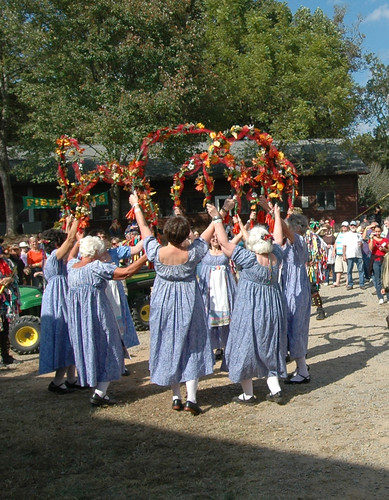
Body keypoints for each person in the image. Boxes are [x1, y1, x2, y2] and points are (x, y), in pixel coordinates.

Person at [129, 193, 215, 416]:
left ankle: (176, 395)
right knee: (193, 343)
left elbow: (145, 230)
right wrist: (218, 216)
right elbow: (206, 236)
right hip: (189, 300)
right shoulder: (193, 252)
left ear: (166, 233)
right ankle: (192, 398)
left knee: (169, 342)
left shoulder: (156, 252)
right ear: (185, 234)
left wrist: (137, 206)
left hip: (163, 301)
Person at [206, 202, 287, 404]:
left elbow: (225, 244)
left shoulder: (249, 259)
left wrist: (217, 218)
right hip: (273, 307)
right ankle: (275, 389)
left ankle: (248, 394)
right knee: (270, 344)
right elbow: (277, 238)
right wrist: (276, 215)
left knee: (244, 345)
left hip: (250, 308)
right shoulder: (276, 256)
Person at [67, 235, 148, 405]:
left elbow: (69, 257)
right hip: (98, 313)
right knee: (110, 347)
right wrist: (147, 256)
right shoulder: (95, 267)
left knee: (89, 347)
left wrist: (77, 241)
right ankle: (100, 392)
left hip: (79, 319)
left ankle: (94, 385)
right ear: (96, 251)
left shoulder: (72, 267)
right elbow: (125, 272)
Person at [39, 219, 81, 394]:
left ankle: (71, 378)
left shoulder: (51, 258)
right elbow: (70, 240)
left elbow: (70, 241)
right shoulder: (55, 256)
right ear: (57, 244)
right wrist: (79, 218)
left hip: (58, 296)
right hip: (58, 299)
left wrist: (69, 222)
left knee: (69, 336)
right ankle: (57, 381)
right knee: (64, 334)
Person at [273, 209, 311, 385]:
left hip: (297, 288)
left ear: (298, 227)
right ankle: (299, 368)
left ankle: (303, 371)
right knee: (287, 326)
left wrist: (271, 211)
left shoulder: (300, 241)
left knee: (297, 327)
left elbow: (286, 230)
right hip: (287, 286)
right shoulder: (288, 244)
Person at [197, 226, 239, 366]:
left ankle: (228, 357)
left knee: (228, 323)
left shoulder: (226, 251)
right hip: (210, 295)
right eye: (212, 236)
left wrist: (246, 222)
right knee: (207, 323)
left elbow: (237, 238)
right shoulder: (203, 252)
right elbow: (193, 239)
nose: (214, 238)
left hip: (224, 292)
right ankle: (208, 359)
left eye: (217, 235)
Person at [0, 253, 21, 366]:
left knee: (4, 329)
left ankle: (6, 356)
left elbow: (16, 277)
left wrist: (10, 280)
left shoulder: (8, 263)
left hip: (4, 303)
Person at [368, 225, 389, 304]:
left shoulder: (385, 240)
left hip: (384, 260)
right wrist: (371, 238)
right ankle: (380, 297)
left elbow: (388, 250)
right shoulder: (372, 239)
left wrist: (384, 249)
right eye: (376, 231)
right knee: (378, 279)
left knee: (386, 279)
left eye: (378, 231)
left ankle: (388, 296)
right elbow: (371, 248)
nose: (377, 233)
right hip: (376, 260)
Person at [342, 220, 365, 290]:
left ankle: (362, 284)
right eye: (351, 225)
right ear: (349, 226)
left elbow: (362, 245)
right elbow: (344, 246)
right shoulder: (346, 235)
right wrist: (344, 255)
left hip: (358, 255)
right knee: (349, 270)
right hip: (349, 255)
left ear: (356, 226)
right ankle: (350, 284)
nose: (353, 226)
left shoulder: (359, 235)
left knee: (361, 270)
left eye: (354, 225)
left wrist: (361, 244)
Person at [332, 222, 349, 287]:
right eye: (343, 226)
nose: (344, 227)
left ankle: (348, 281)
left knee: (346, 269)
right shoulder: (339, 234)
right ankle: (337, 282)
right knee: (338, 268)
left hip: (345, 253)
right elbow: (336, 243)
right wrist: (334, 250)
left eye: (345, 226)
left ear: (347, 227)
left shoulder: (348, 234)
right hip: (338, 253)